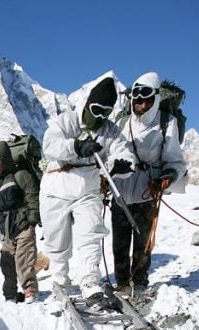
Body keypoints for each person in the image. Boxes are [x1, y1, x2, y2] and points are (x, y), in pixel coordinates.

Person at [40, 73, 133, 312]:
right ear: (88, 104)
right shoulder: (67, 121)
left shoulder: (110, 130)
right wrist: (76, 146)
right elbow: (50, 145)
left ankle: (91, 284)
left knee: (90, 234)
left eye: (106, 111)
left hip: (88, 189)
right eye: (97, 109)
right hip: (56, 187)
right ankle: (60, 280)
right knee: (57, 239)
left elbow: (123, 152)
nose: (100, 116)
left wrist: (120, 165)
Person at [111, 72, 188, 294]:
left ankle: (141, 282)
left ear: (155, 99)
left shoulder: (166, 122)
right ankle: (122, 283)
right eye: (137, 100)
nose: (141, 105)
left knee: (143, 239)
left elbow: (174, 158)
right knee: (120, 240)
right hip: (121, 188)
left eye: (146, 100)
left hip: (149, 188)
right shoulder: (122, 122)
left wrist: (168, 176)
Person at [0, 140, 40, 303]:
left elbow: (32, 197)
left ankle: (30, 290)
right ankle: (10, 295)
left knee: (24, 260)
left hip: (24, 226)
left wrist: (31, 220)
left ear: (5, 159)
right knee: (6, 263)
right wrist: (0, 225)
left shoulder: (21, 175)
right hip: (7, 231)